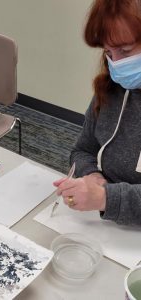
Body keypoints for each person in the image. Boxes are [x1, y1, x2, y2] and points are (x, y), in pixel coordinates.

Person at [53, 0, 141, 226]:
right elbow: (82, 150)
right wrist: (92, 176)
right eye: (108, 51)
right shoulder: (110, 89)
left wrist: (105, 197)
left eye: (125, 50)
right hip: (106, 221)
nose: (116, 64)